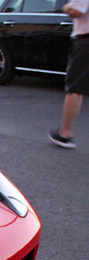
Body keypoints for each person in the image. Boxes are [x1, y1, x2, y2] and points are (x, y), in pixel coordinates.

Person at [48, 0, 89, 149]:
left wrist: (66, 6)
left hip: (85, 41)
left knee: (74, 88)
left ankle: (65, 134)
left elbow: (76, 10)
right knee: (79, 88)